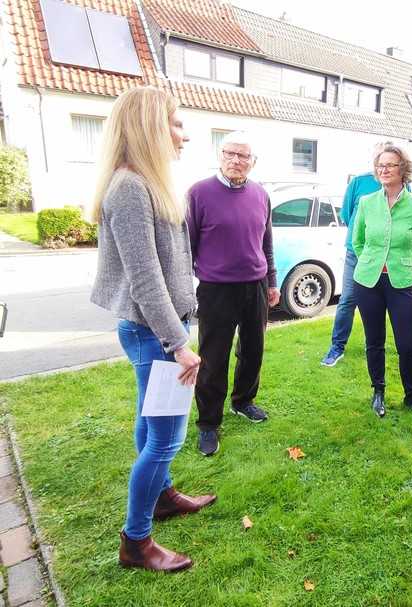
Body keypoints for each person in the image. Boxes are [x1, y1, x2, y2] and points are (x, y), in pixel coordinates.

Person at [91, 86, 215, 572]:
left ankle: (162, 498)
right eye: (175, 122)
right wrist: (178, 343)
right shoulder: (129, 188)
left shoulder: (146, 182)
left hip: (158, 330)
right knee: (165, 438)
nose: (182, 134)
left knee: (151, 428)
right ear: (147, 126)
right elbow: (145, 280)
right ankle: (136, 542)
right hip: (154, 333)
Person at [187, 132, 279, 456]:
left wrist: (272, 281)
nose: (236, 161)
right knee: (214, 358)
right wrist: (187, 288)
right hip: (216, 289)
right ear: (219, 155)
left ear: (253, 162)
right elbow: (188, 246)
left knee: (253, 351)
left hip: (254, 286)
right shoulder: (199, 193)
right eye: (230, 154)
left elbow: (266, 243)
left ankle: (243, 402)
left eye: (244, 156)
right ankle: (208, 423)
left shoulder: (261, 195)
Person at [353, 144, 412, 421]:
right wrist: (373, 262)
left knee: (407, 344)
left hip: (401, 283)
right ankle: (378, 392)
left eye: (391, 165)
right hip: (368, 282)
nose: (384, 169)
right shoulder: (366, 203)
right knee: (374, 341)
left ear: (404, 170)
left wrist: (399, 265)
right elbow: (358, 241)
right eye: (381, 165)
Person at [320, 143, 390, 367]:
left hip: (385, 255)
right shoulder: (359, 182)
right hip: (356, 252)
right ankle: (337, 346)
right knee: (348, 299)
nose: (384, 166)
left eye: (389, 161)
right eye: (380, 160)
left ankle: (378, 345)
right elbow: (348, 215)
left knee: (384, 300)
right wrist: (364, 238)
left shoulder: (400, 186)